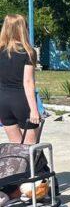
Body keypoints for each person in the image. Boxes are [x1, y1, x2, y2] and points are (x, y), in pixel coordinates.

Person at [0, 14, 39, 144]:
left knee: (16, 147)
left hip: (3, 101)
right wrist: (34, 110)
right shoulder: (28, 52)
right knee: (30, 148)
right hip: (21, 101)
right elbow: (28, 82)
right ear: (23, 29)